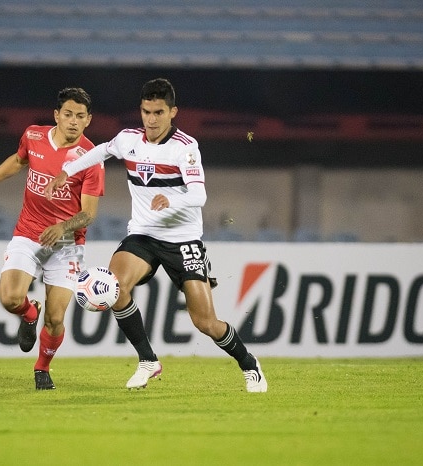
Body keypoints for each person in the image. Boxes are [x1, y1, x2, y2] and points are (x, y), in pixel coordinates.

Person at [45, 78, 267, 392]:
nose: (151, 119)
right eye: (146, 111)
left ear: (172, 112)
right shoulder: (128, 140)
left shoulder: (185, 148)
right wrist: (68, 170)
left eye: (158, 112)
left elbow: (199, 195)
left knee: (205, 323)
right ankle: (148, 361)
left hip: (183, 240)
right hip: (144, 235)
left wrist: (171, 199)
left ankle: (249, 363)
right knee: (116, 287)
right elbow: (102, 152)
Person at [0, 87, 104, 390]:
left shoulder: (91, 159)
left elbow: (89, 214)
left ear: (88, 120)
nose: (73, 121)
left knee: (55, 317)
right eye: (68, 114)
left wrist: (63, 227)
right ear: (57, 115)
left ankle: (42, 368)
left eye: (80, 116)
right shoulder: (34, 136)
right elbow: (17, 161)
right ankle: (29, 314)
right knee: (9, 297)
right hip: (29, 232)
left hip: (67, 245)